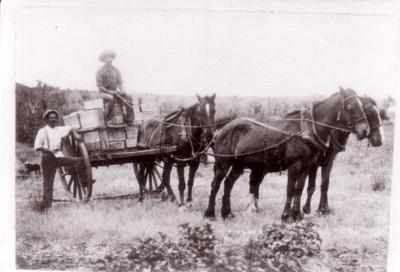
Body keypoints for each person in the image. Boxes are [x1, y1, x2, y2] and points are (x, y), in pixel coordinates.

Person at [34, 110, 83, 209]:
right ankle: (47, 206)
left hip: (58, 156)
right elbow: (37, 146)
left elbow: (70, 128)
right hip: (47, 158)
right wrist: (49, 151)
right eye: (51, 118)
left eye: (55, 118)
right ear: (46, 120)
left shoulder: (58, 130)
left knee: (78, 161)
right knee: (48, 183)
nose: (53, 120)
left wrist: (75, 133)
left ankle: (82, 179)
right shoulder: (42, 131)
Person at [96, 49, 134, 125]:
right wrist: (110, 92)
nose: (109, 59)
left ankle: (129, 119)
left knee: (129, 97)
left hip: (115, 92)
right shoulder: (100, 71)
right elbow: (100, 86)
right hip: (104, 93)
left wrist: (122, 90)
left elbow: (120, 83)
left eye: (110, 57)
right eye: (107, 57)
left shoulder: (116, 70)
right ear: (103, 60)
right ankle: (108, 120)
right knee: (110, 98)